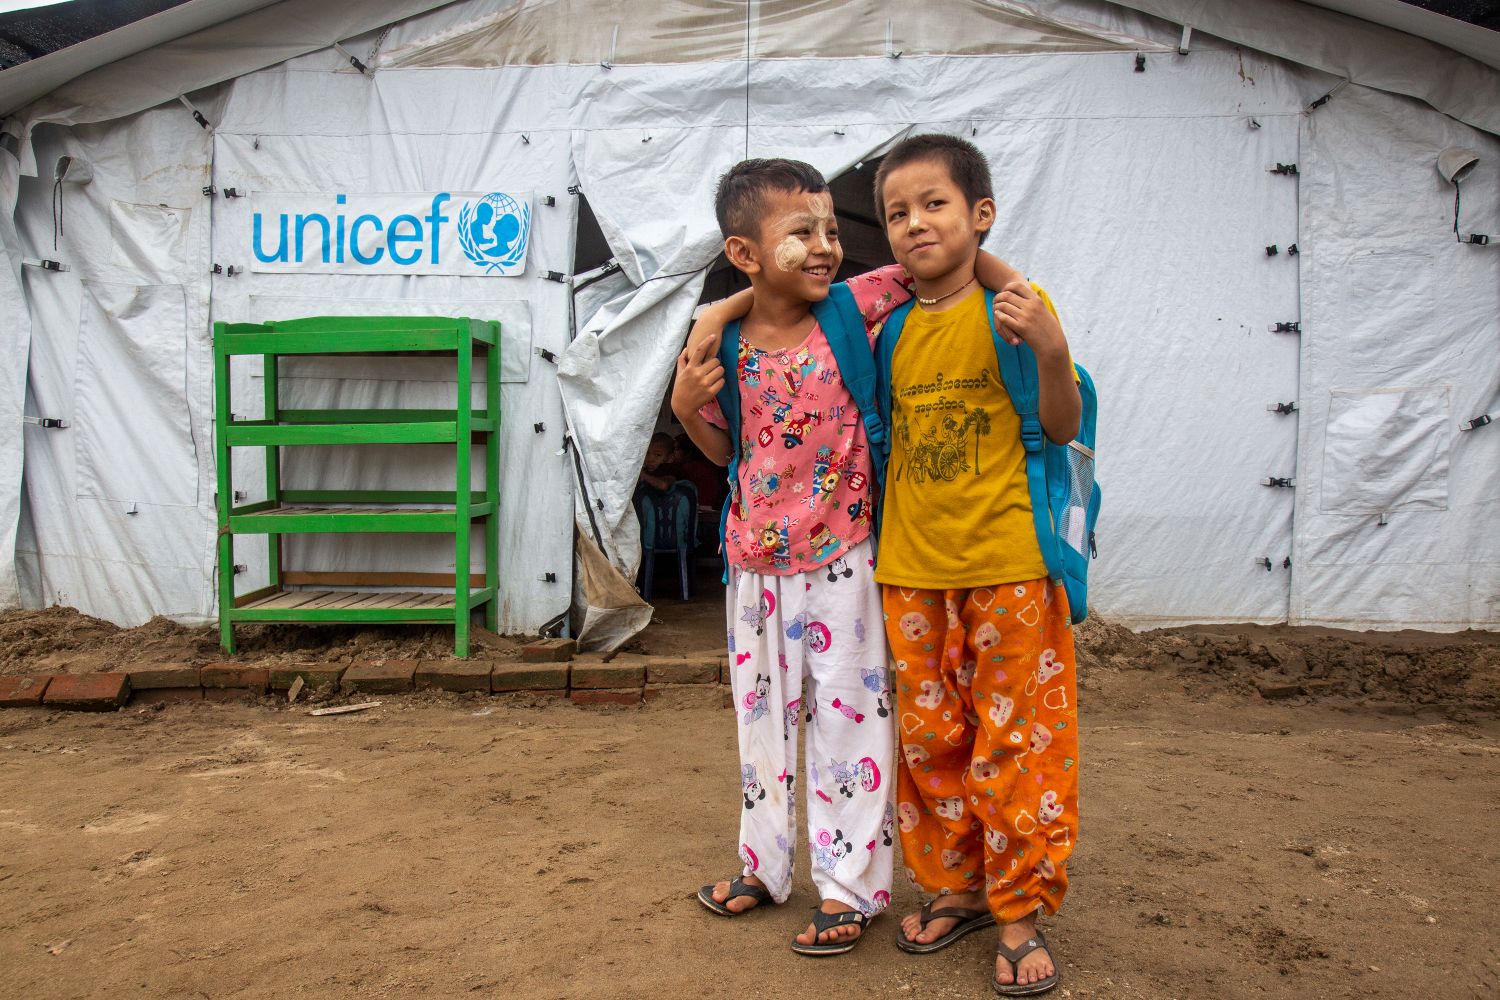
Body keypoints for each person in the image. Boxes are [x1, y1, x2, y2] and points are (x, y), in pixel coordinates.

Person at [672, 157, 1021, 956]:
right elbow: (729, 452)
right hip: (754, 565)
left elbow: (952, 255)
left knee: (850, 726)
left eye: (831, 229)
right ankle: (764, 866)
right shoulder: (723, 346)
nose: (827, 247)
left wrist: (1018, 292)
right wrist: (687, 408)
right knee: (760, 726)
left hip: (845, 557)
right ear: (745, 252)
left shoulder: (853, 307)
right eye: (803, 233)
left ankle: (850, 890)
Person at [873, 134, 1082, 997]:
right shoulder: (885, 330)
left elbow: (1063, 425)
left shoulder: (1015, 311)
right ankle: (957, 886)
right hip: (911, 571)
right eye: (896, 212)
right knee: (930, 745)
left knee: (1016, 745)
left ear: (979, 216)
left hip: (1008, 567)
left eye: (935, 204)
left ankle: (1020, 911)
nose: (915, 223)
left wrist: (1052, 350)